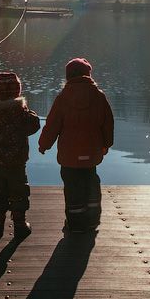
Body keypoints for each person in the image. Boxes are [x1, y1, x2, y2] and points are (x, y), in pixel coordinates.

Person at [38, 57, 114, 233]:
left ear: (68, 76)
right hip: (92, 153)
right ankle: (92, 221)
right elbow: (108, 123)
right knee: (90, 182)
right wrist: (106, 144)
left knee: (72, 187)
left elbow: (52, 125)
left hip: (69, 155)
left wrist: (44, 145)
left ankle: (75, 224)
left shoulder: (63, 97)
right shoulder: (99, 96)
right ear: (88, 74)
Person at [0, 71, 41, 239]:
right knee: (19, 192)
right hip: (16, 162)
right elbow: (34, 126)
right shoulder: (21, 113)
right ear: (17, 91)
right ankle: (20, 226)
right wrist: (25, 108)